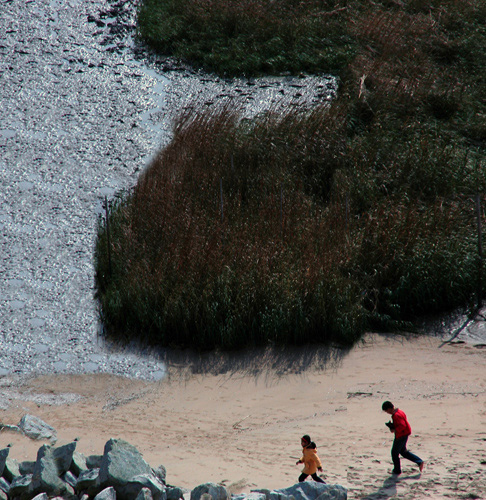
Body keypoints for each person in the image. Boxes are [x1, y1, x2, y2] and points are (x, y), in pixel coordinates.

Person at [382, 401, 425, 475]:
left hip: (401, 435)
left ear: (389, 408)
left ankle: (397, 470)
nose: (387, 412)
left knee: (394, 453)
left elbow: (402, 426)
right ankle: (419, 462)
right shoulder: (399, 411)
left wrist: (394, 429)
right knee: (403, 452)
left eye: (386, 411)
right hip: (404, 434)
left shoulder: (396, 415)